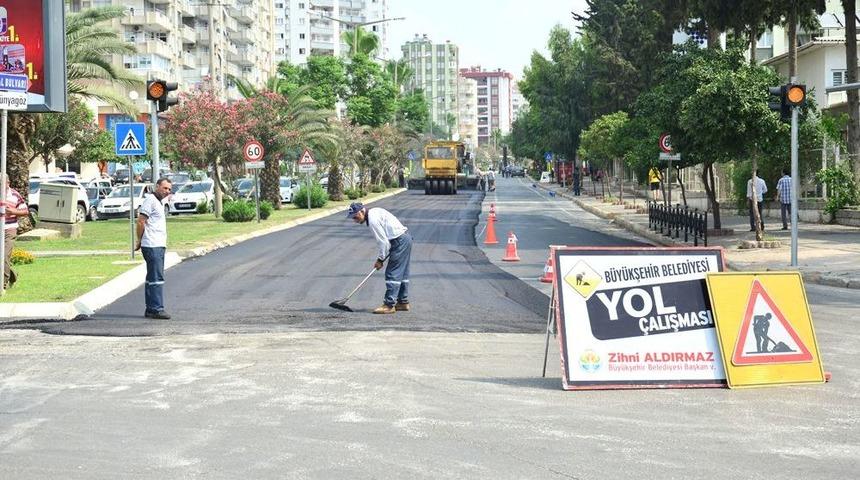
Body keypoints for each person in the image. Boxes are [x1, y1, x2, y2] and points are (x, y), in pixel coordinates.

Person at [347, 202, 412, 314]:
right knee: (402, 273)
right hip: (404, 238)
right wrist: (383, 256)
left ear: (362, 211)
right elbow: (386, 242)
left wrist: (380, 259)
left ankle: (389, 305)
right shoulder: (374, 212)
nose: (354, 220)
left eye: (355, 217)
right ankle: (402, 302)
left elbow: (383, 243)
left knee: (392, 273)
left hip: (399, 240)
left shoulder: (373, 220)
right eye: (352, 218)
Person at [135, 178, 172, 319]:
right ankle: (157, 308)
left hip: (158, 244)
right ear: (157, 187)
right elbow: (141, 221)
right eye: (165, 188)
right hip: (152, 245)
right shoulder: (150, 200)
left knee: (152, 277)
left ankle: (150, 308)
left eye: (169, 189)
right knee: (156, 277)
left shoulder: (159, 202)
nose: (167, 191)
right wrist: (139, 240)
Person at [1, 176, 27, 289]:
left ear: (8, 183)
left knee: (4, 255)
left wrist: (13, 211)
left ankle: (3, 285)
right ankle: (12, 276)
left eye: (2, 182)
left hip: (9, 229)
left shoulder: (15, 195)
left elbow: (25, 211)